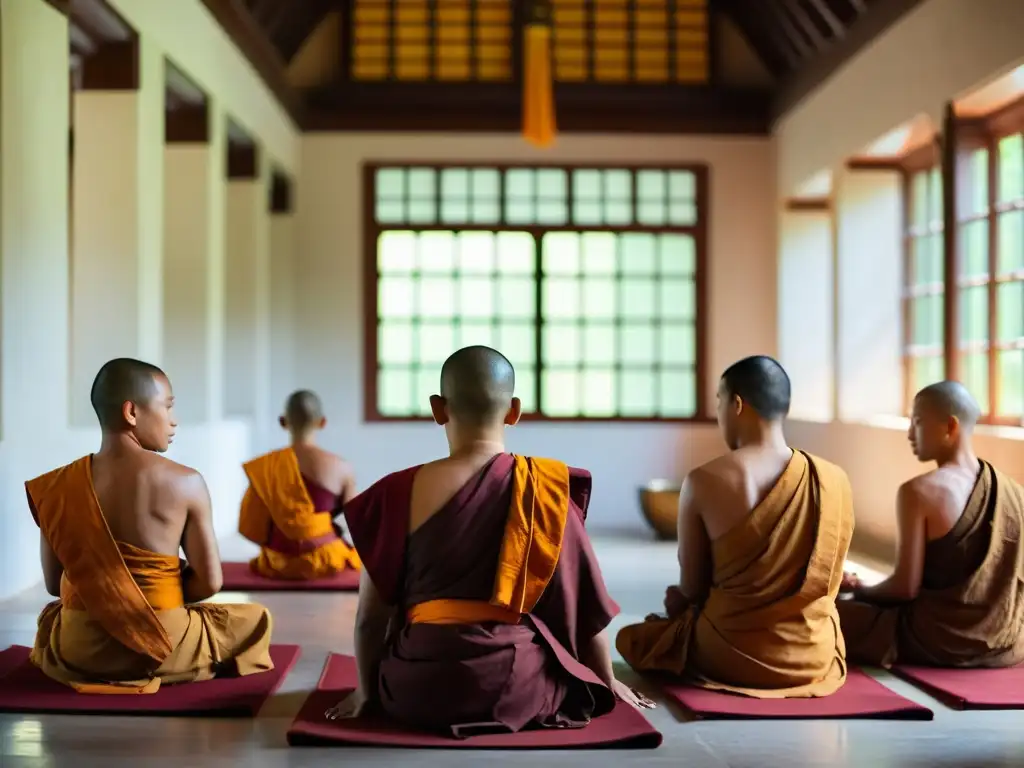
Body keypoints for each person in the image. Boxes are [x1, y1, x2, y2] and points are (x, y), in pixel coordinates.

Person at [325, 345, 654, 736]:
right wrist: (606, 680)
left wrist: (367, 691)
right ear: (514, 411)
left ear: (438, 408)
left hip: (415, 689)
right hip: (515, 686)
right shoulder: (545, 490)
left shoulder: (394, 492)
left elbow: (369, 620)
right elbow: (586, 608)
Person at [27, 358, 273, 693]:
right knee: (255, 619)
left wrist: (111, 598)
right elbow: (211, 581)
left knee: (52, 619)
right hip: (161, 644)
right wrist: (144, 600)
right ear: (131, 412)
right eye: (168, 407)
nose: (174, 421)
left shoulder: (57, 486)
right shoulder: (187, 481)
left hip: (80, 650)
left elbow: (55, 585)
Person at [616, 355, 854, 698]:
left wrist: (677, 605)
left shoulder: (703, 480)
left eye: (719, 403)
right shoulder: (833, 479)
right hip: (812, 657)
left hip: (727, 655)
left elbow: (693, 589)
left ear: (737, 404)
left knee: (635, 639)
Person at [838, 381, 1024, 668]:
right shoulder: (1013, 490)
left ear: (950, 426)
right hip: (1004, 640)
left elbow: (904, 589)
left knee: (829, 613)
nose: (911, 434)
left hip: (939, 638)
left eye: (919, 422)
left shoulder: (918, 492)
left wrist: (859, 588)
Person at [239, 390, 361, 580]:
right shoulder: (341, 467)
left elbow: (250, 527)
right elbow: (358, 520)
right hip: (327, 559)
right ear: (322, 422)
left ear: (283, 421)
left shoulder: (267, 467)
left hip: (278, 562)